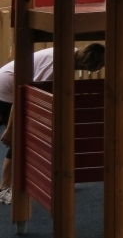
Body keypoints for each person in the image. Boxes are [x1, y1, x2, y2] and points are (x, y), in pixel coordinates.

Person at [0, 43, 105, 204]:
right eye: (101, 64)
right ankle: (4, 188)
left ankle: (53, 178)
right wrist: (10, 129)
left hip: (14, 84)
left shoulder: (70, 53)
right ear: (93, 62)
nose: (101, 67)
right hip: (6, 88)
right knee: (19, 140)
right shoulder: (57, 65)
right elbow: (25, 93)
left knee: (40, 135)